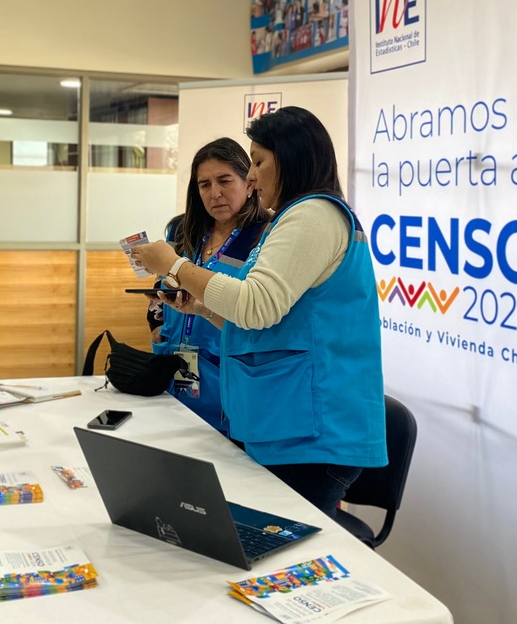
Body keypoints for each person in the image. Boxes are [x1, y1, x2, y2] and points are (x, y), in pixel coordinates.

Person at [131, 107, 386, 518]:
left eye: (259, 162)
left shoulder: (313, 216)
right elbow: (274, 319)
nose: (252, 176)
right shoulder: (292, 219)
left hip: (312, 432)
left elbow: (256, 306)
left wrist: (174, 266)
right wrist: (201, 308)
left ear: (293, 159)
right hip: (285, 425)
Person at [148, 138, 272, 435]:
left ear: (248, 182)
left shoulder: (264, 236)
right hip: (175, 373)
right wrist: (156, 327)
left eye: (225, 181)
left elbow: (258, 310)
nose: (215, 193)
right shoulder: (184, 230)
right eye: (204, 185)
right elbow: (158, 291)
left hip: (227, 378)